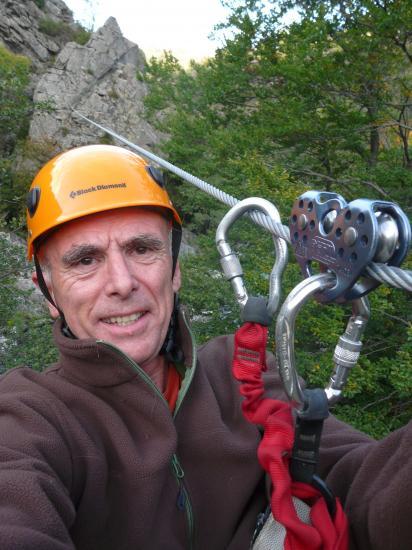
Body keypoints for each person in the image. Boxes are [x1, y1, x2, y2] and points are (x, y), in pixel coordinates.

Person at [0, 144, 409, 550]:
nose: (122, 283)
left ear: (175, 269)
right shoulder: (29, 416)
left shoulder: (243, 374)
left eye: (142, 249)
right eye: (85, 260)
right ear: (47, 292)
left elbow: (358, 481)